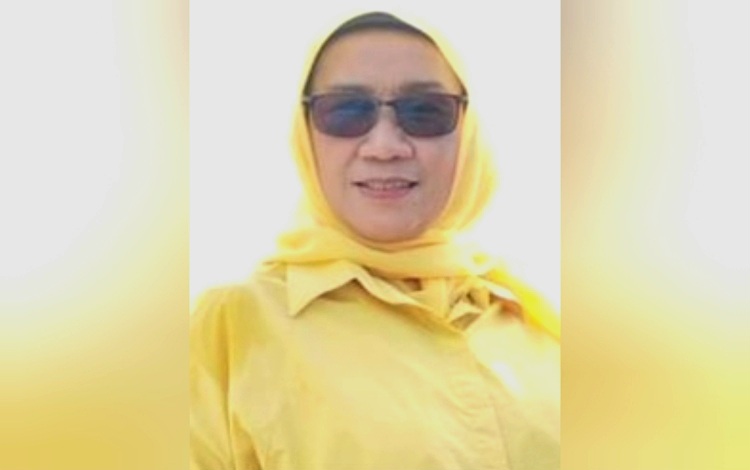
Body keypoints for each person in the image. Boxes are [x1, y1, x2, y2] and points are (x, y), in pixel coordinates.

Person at [190, 11, 560, 470]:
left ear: (469, 133)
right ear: (305, 133)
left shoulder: (535, 320)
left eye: (425, 111)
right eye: (346, 112)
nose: (384, 147)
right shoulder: (236, 325)